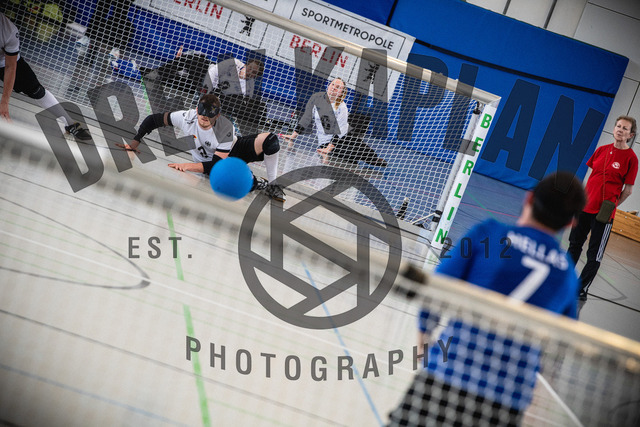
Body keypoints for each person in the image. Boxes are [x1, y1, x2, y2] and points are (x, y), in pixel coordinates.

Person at [388, 171, 586, 426]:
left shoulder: (488, 234)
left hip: (450, 374)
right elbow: (561, 342)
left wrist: (423, 336)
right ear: (571, 223)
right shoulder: (568, 274)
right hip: (506, 400)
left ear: (529, 198)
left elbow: (438, 288)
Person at [118, 94, 285, 202]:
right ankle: (256, 183)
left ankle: (272, 184)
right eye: (202, 113)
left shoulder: (225, 128)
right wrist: (135, 142)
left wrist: (188, 166)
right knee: (238, 181)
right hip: (212, 164)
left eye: (209, 115)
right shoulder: (187, 117)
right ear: (197, 110)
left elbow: (216, 163)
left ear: (217, 115)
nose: (204, 117)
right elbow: (153, 119)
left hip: (231, 151)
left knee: (271, 140)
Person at [568, 116, 638, 301]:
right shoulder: (601, 150)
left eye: (625, 128)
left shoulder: (631, 159)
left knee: (594, 254)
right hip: (584, 207)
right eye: (618, 126)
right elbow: (592, 177)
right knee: (574, 245)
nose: (620, 130)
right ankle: (564, 280)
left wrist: (611, 206)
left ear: (630, 135)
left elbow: (628, 191)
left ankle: (581, 288)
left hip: (603, 214)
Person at [0, 12, 91, 139]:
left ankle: (70, 124)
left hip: (4, 62)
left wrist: (4, 102)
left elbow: (10, 67)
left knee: (37, 90)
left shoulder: (8, 31)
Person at [281, 77, 349, 163]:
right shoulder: (317, 98)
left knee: (363, 155)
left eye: (338, 87)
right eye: (333, 84)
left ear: (341, 93)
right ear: (328, 86)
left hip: (343, 141)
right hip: (324, 142)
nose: (334, 88)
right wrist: (293, 136)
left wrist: (328, 148)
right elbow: (307, 117)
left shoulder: (342, 107)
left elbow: (341, 131)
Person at [203, 56, 267, 136]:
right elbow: (213, 72)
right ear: (246, 65)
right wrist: (208, 92)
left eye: (254, 72)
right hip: (209, 80)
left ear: (256, 76)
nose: (250, 72)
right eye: (250, 68)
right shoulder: (233, 63)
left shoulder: (248, 87)